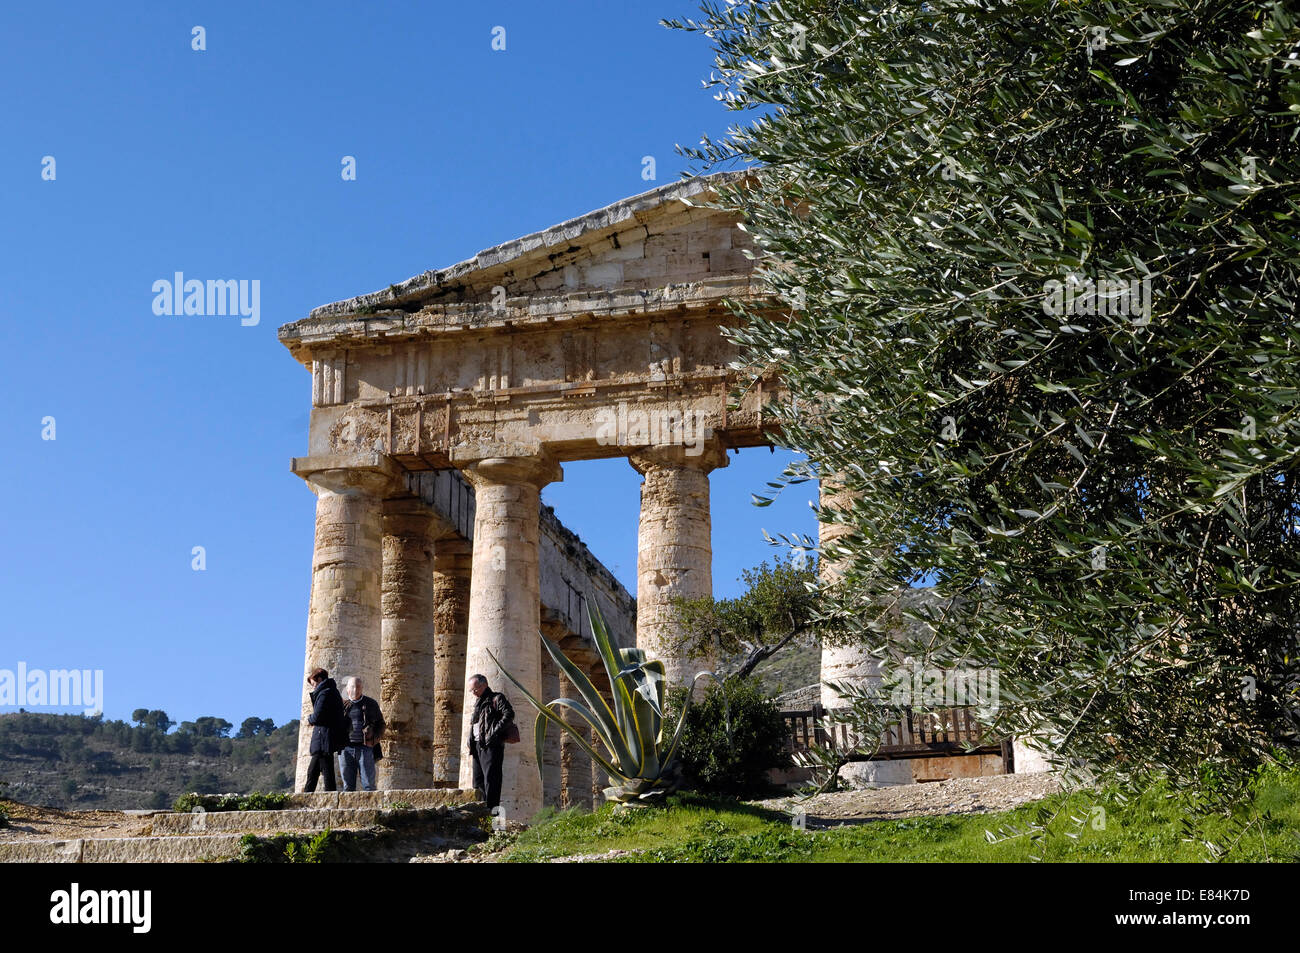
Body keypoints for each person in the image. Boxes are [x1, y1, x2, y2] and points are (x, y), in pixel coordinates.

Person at [467, 674, 514, 811]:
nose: (473, 693)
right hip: (477, 746)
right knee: (478, 782)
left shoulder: (496, 698)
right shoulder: (478, 702)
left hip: (491, 745)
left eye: (475, 689)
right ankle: (481, 815)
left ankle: (493, 820)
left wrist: (493, 733)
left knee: (491, 781)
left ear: (484, 685)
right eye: (471, 690)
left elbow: (509, 714)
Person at [340, 676, 385, 792]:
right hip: (346, 748)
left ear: (362, 688)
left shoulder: (371, 704)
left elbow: (381, 724)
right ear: (347, 689)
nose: (356, 690)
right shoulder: (342, 705)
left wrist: (374, 740)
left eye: (358, 687)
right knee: (347, 786)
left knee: (368, 784)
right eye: (353, 687)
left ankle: (373, 809)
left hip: (365, 747)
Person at [303, 668, 345, 793]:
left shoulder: (325, 693)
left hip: (323, 737)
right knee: (316, 771)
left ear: (319, 679)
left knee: (322, 772)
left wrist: (309, 719)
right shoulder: (332, 692)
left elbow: (318, 715)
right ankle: (310, 796)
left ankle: (320, 798)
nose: (313, 687)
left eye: (314, 683)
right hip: (325, 737)